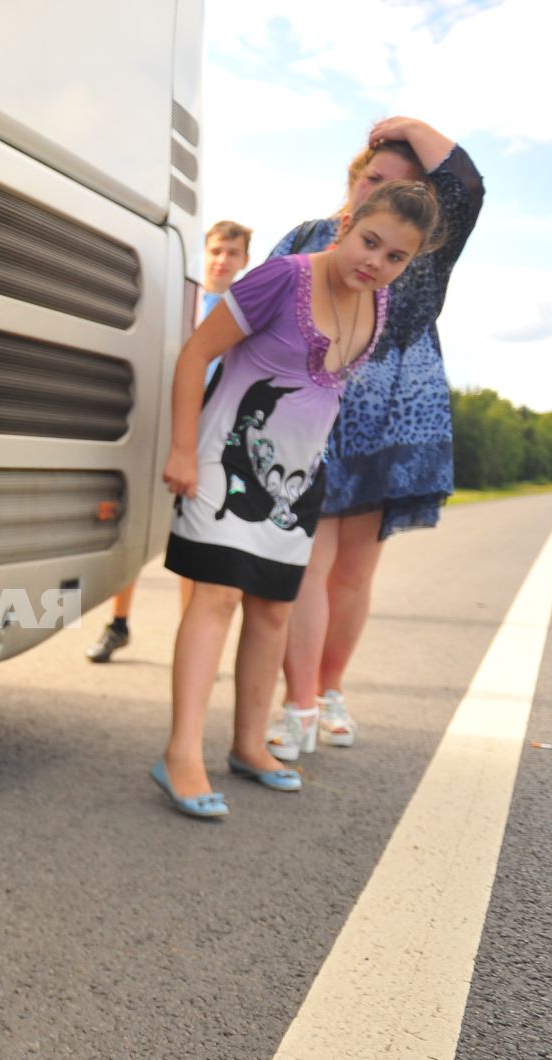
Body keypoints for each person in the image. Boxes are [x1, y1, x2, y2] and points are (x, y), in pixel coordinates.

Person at [152, 181, 442, 818]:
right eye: (370, 241)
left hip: (298, 480)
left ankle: (250, 745)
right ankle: (180, 754)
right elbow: (197, 351)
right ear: (346, 224)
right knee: (218, 597)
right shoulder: (280, 278)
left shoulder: (380, 304)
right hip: (224, 459)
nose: (376, 262)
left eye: (395, 256)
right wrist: (179, 449)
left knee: (273, 613)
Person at [264, 120, 484, 759]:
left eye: (400, 186)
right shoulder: (305, 236)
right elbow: (258, 314)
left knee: (353, 574)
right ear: (354, 177)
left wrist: (412, 127)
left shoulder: (423, 252)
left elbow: (465, 185)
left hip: (391, 417)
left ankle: (330, 691)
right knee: (306, 566)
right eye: (373, 178)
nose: (378, 193)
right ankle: (298, 704)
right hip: (310, 411)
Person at [86, 220, 252, 662]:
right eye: (217, 250)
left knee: (192, 538)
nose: (222, 260)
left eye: (232, 253)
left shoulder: (243, 315)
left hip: (208, 440)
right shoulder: (184, 302)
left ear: (244, 261)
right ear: (206, 251)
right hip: (162, 429)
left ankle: (189, 641)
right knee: (135, 526)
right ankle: (118, 624)